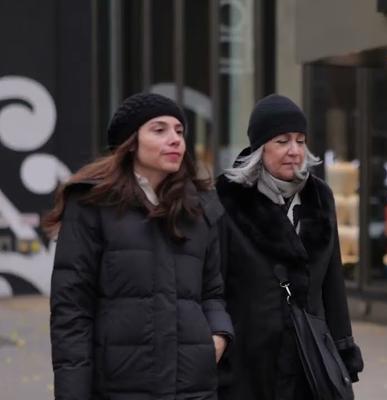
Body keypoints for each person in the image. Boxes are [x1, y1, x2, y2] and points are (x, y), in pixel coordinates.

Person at [45, 93, 234, 400]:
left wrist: (218, 335)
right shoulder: (92, 205)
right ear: (131, 142)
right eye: (159, 130)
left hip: (191, 386)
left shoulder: (199, 208)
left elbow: (213, 291)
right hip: (119, 387)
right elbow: (72, 310)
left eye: (179, 131)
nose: (174, 139)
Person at [215, 94, 364, 399]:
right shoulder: (228, 198)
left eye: (300, 140)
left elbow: (333, 284)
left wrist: (343, 349)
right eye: (282, 141)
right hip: (248, 363)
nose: (294, 151)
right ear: (260, 147)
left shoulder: (319, 197)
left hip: (308, 358)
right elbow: (213, 286)